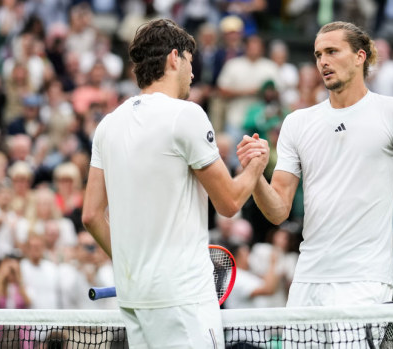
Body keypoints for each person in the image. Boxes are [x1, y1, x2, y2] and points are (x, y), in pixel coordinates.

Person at [237, 21, 393, 311]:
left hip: (365, 281)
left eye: (332, 51)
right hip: (307, 281)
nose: (323, 61)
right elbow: (278, 211)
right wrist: (256, 174)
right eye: (318, 54)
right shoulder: (297, 123)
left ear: (360, 57)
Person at [81, 19, 269, 348]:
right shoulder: (186, 114)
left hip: (133, 296)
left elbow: (91, 216)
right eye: (190, 63)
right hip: (182, 298)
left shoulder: (108, 125)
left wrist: (133, 262)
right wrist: (255, 166)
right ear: (174, 58)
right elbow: (229, 203)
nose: (193, 75)